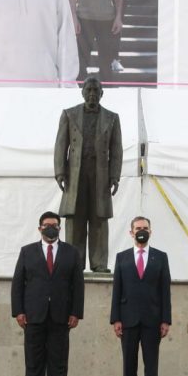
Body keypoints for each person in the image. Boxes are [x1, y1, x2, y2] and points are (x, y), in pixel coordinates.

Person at [11, 211, 85, 376]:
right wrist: (18, 311)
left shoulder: (72, 252)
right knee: (34, 363)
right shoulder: (27, 252)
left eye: (54, 224)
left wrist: (76, 312)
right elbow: (18, 283)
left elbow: (78, 285)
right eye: (46, 225)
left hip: (61, 318)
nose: (50, 227)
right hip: (33, 317)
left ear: (60, 228)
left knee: (58, 364)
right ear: (39, 228)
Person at [54, 77, 122, 272]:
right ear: (83, 92)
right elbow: (60, 145)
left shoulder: (112, 118)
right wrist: (60, 172)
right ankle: (74, 264)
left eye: (96, 90)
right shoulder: (69, 114)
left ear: (102, 94)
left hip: (100, 176)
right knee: (75, 220)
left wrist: (115, 176)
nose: (92, 94)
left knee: (99, 220)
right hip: (75, 175)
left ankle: (99, 263)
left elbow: (116, 150)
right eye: (89, 90)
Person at [110, 216, 171, 376]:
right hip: (128, 321)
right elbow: (117, 290)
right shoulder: (122, 257)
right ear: (131, 232)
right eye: (138, 228)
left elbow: (165, 291)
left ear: (150, 231)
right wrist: (116, 319)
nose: (141, 231)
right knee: (129, 366)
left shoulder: (161, 257)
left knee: (151, 367)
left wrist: (166, 320)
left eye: (145, 228)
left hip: (153, 321)